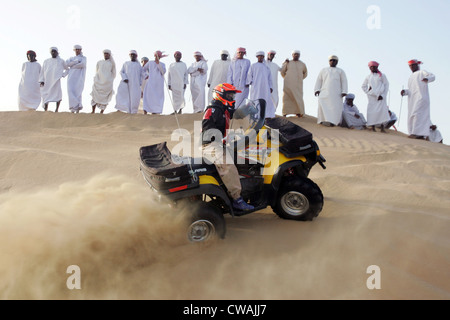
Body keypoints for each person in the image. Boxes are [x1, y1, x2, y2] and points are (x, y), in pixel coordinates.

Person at [201, 83, 254, 212]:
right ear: (220, 95)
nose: (231, 97)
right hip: (210, 145)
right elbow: (207, 129)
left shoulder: (223, 108)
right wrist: (220, 139)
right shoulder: (212, 109)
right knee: (227, 165)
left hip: (219, 143)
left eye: (232, 95)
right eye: (229, 95)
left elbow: (236, 113)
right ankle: (237, 199)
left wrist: (252, 108)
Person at [401, 59, 436, 140]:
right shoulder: (410, 77)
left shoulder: (422, 72)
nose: (412, 67)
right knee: (413, 115)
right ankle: (419, 134)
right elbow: (411, 90)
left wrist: (428, 79)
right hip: (413, 100)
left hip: (421, 97)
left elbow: (432, 76)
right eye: (410, 66)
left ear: (417, 65)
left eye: (413, 65)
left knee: (418, 114)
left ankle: (416, 133)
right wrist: (405, 92)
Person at [314, 55, 348, 127]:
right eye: (331, 60)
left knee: (334, 107)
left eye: (334, 60)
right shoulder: (324, 70)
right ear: (329, 61)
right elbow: (319, 80)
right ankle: (322, 120)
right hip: (324, 91)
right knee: (322, 103)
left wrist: (344, 91)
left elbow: (344, 81)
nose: (332, 61)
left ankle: (333, 122)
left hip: (336, 93)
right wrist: (317, 89)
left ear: (337, 62)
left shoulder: (340, 71)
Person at [362, 61, 390, 133]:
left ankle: (382, 128)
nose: (373, 68)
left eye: (374, 67)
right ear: (369, 68)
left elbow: (386, 85)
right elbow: (363, 86)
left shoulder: (382, 76)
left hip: (381, 97)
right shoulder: (368, 76)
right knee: (372, 112)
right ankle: (373, 127)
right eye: (371, 67)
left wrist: (383, 95)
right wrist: (368, 92)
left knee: (382, 112)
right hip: (372, 97)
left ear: (377, 67)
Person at [39, 47, 68, 112]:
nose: (53, 53)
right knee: (46, 95)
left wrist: (63, 75)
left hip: (56, 81)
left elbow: (67, 69)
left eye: (54, 51)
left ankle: (57, 109)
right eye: (52, 51)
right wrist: (41, 80)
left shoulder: (61, 61)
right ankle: (45, 109)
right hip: (47, 81)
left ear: (57, 52)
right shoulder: (46, 61)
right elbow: (42, 71)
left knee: (58, 95)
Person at [246, 51, 274, 118]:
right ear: (257, 57)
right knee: (255, 99)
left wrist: (270, 87)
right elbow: (249, 75)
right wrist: (249, 82)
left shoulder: (266, 67)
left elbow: (270, 78)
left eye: (262, 56)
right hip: (256, 86)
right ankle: (255, 114)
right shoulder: (253, 65)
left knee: (266, 99)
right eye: (259, 56)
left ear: (263, 57)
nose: (261, 57)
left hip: (265, 87)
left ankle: (266, 115)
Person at [280, 50, 308, 117]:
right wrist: (287, 78)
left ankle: (298, 112)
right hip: (288, 84)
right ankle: (285, 112)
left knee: (298, 97)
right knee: (287, 97)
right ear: (292, 55)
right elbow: (282, 71)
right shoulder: (288, 63)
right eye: (295, 54)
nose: (296, 55)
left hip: (298, 84)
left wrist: (300, 79)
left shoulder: (302, 64)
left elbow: (305, 73)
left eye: (297, 54)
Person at [90, 49, 116, 114]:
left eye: (107, 54)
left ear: (109, 55)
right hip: (98, 82)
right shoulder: (99, 62)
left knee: (105, 98)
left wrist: (109, 80)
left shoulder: (111, 63)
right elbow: (97, 71)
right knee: (95, 95)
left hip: (107, 84)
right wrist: (97, 79)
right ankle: (93, 111)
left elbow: (113, 73)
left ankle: (101, 112)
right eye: (105, 53)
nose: (106, 55)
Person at [143, 50, 167, 115]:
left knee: (157, 99)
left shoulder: (162, 64)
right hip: (150, 83)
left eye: (158, 56)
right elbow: (143, 69)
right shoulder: (150, 62)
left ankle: (155, 112)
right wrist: (146, 75)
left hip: (158, 85)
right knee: (147, 96)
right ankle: (145, 111)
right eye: (156, 56)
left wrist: (158, 64)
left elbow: (163, 72)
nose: (157, 57)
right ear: (154, 56)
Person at [66, 45, 87, 113]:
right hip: (71, 77)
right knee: (70, 91)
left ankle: (77, 108)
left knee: (78, 91)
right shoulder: (71, 58)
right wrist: (75, 62)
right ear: (74, 50)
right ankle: (72, 108)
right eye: (76, 49)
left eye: (79, 49)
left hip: (79, 77)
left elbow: (82, 64)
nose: (77, 50)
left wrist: (72, 66)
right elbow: (66, 64)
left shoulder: (83, 58)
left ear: (81, 50)